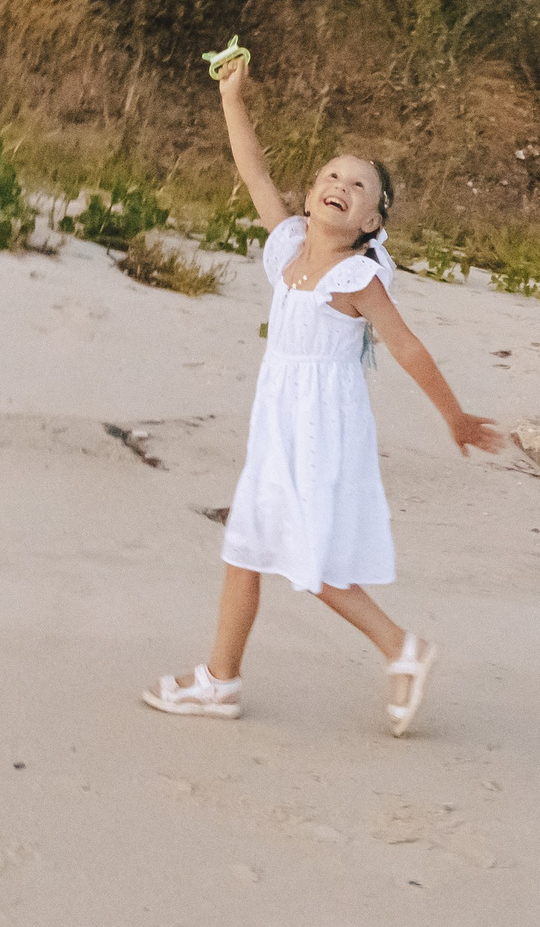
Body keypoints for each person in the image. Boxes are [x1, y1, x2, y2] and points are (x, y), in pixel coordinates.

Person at [143, 54, 504, 734]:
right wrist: (233, 98)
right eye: (331, 175)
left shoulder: (354, 277)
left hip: (319, 432)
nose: (340, 184)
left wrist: (453, 416)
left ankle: (402, 646)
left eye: (358, 184)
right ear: (311, 196)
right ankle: (220, 680)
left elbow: (406, 346)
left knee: (308, 559)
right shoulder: (287, 248)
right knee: (247, 544)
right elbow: (253, 168)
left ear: (373, 220)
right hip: (276, 424)